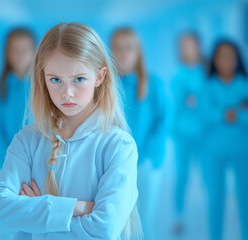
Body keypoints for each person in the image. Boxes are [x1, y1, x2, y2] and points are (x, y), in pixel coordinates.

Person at [0, 22, 143, 239]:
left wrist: (36, 215)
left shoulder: (118, 146)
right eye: (56, 80)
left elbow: (104, 229)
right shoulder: (26, 141)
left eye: (79, 79)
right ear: (43, 78)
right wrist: (76, 208)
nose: (67, 93)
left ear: (99, 76)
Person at [203, 40, 248, 240]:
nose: (226, 60)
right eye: (222, 56)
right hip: (214, 151)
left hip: (242, 150)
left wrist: (239, 116)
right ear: (214, 60)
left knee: (245, 199)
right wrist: (225, 114)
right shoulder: (208, 86)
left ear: (238, 59)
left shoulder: (247, 85)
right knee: (215, 199)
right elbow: (203, 113)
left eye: (231, 55)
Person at [111, 27, 171, 240]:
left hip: (144, 163)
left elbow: (163, 122)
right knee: (116, 226)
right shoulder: (104, 85)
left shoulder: (153, 84)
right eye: (118, 48)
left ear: (138, 52)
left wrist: (150, 157)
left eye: (129, 48)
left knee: (142, 225)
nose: (124, 54)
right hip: (113, 165)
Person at [170, 32, 207, 235]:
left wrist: (197, 101)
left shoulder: (207, 72)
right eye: (183, 46)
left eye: (191, 45)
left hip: (205, 135)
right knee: (182, 177)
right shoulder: (179, 75)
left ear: (199, 46)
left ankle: (210, 214)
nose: (187, 50)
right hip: (183, 135)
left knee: (208, 178)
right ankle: (179, 217)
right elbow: (176, 106)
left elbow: (209, 100)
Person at [0, 28, 36, 168]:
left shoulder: (45, 85)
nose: (19, 55)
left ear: (34, 51)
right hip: (9, 164)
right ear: (6, 53)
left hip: (41, 163)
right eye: (14, 50)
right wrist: (9, 161)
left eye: (24, 50)